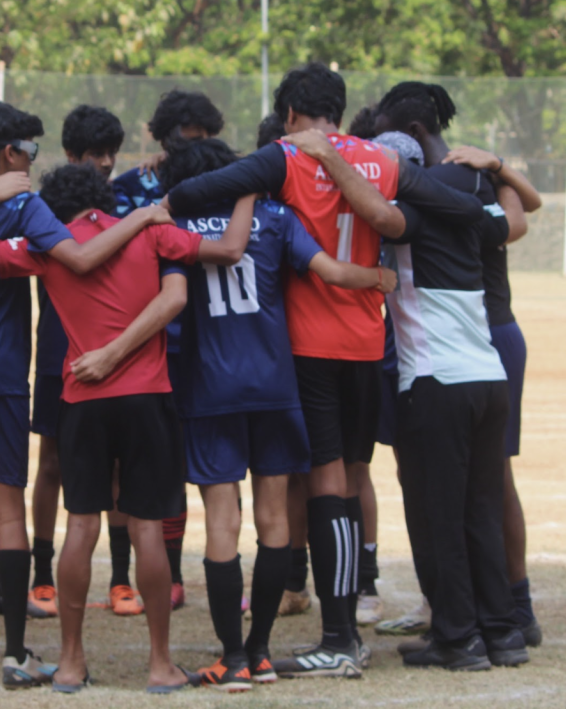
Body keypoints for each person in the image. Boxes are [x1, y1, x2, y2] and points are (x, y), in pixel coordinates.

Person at [164, 62, 486, 678]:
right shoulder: (382, 161)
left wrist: (161, 204)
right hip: (369, 343)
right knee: (349, 481)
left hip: (308, 349)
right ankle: (348, 619)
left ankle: (338, 636)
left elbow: (201, 190)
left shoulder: (285, 158)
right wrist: (494, 177)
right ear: (340, 110)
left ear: (288, 115)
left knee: (324, 489)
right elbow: (457, 204)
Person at [0, 162, 255, 693]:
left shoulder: (49, 245)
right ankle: (159, 664)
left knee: (80, 526)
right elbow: (229, 249)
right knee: (147, 527)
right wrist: (246, 187)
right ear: (104, 197)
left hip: (82, 396)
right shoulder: (151, 232)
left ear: (54, 208)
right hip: (148, 396)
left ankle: (73, 662)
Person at [0, 99, 175, 687]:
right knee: (11, 511)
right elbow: (80, 255)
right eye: (28, 150)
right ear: (10, 154)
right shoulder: (28, 206)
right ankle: (17, 652)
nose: (32, 161)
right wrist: (146, 217)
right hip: (3, 374)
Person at [160, 138, 396, 691]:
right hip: (273, 385)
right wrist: (378, 280)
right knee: (274, 521)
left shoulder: (176, 229)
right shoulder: (275, 215)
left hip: (210, 389)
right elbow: (333, 274)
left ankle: (232, 658)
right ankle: (262, 653)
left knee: (222, 522)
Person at [374, 82, 544, 648]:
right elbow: (519, 218)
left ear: (410, 138)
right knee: (484, 486)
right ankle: (505, 618)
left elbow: (384, 215)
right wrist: (496, 168)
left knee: (457, 491)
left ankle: (470, 623)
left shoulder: (425, 192)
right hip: (483, 348)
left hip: (460, 345)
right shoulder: (471, 182)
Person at [112, 89, 226, 610]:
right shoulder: (129, 188)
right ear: (161, 140)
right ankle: (156, 575)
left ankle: (210, 571)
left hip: (216, 345)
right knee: (156, 464)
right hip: (151, 344)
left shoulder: (227, 181)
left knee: (214, 465)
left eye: (200, 143)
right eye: (182, 143)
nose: (190, 153)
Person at [25, 105, 135, 619]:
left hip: (114, 354)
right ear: (71, 156)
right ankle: (42, 575)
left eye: (112, 153)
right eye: (96, 154)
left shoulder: (119, 209)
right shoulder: (48, 213)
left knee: (115, 466)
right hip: (57, 352)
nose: (106, 163)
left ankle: (119, 578)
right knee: (51, 462)